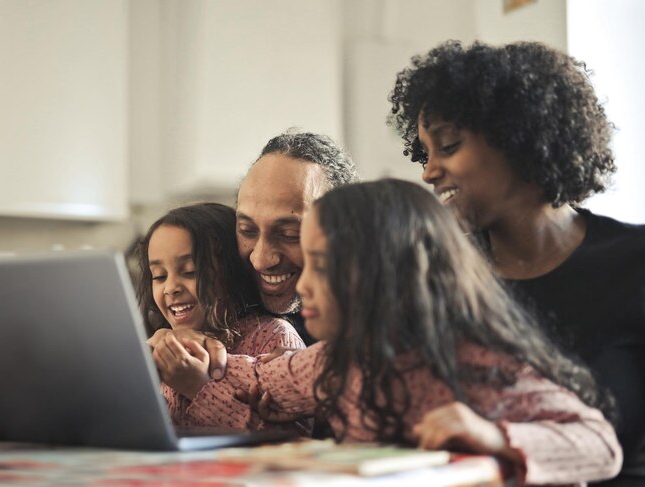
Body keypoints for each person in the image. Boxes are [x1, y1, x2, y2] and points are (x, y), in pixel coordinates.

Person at [151, 179, 622, 486]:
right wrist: (199, 358)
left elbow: (600, 444)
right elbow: (258, 382)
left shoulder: (476, 361)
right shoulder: (338, 360)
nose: (305, 282)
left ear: (384, 274)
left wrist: (495, 436)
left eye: (321, 265)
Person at [388, 40, 645, 483]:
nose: (428, 171)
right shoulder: (436, 278)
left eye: (448, 146)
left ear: (519, 137)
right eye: (424, 153)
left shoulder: (634, 262)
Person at [149, 131, 359, 369]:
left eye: (289, 234)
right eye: (248, 230)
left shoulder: (376, 331)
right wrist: (172, 344)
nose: (260, 259)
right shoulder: (233, 304)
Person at [136, 202, 306, 431]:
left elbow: (294, 438)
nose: (170, 288)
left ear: (232, 272)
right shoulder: (161, 345)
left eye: (190, 272)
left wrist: (198, 387)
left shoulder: (273, 337)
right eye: (159, 276)